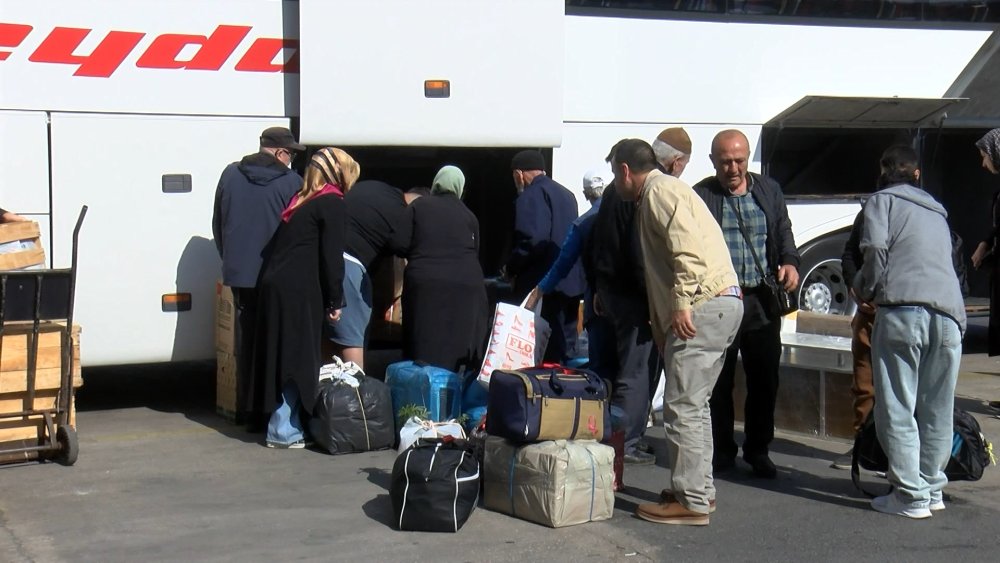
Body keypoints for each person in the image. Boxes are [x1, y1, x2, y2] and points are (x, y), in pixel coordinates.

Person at [610, 138, 742, 526]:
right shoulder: (668, 190)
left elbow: (685, 250)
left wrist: (681, 303)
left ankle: (692, 501)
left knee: (682, 406)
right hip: (720, 302)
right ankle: (699, 491)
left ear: (624, 170)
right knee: (694, 405)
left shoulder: (658, 192)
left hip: (702, 303)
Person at [856, 145, 966, 519]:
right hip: (949, 314)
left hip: (904, 309)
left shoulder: (881, 201)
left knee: (898, 406)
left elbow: (874, 247)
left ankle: (909, 496)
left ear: (883, 171)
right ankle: (932, 487)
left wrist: (866, 287)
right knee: (938, 408)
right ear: (917, 174)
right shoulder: (937, 210)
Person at [693, 129, 799, 479]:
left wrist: (790, 262)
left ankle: (758, 449)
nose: (733, 168)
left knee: (764, 377)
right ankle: (722, 449)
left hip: (760, 299)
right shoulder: (702, 195)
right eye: (726, 162)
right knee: (719, 380)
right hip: (720, 299)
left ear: (748, 157)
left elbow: (783, 231)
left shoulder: (768, 189)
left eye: (739, 160)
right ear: (713, 162)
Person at [589, 127, 693, 465]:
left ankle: (620, 438)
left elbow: (600, 243)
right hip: (635, 298)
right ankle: (626, 442)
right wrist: (654, 301)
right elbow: (641, 253)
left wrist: (598, 288)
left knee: (624, 371)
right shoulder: (645, 193)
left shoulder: (617, 193)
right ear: (675, 163)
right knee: (637, 373)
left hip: (614, 292)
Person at [254, 148, 360, 449]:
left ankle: (280, 423)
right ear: (338, 174)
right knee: (299, 357)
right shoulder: (331, 203)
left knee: (281, 354)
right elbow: (331, 258)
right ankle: (284, 429)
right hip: (300, 290)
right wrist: (335, 300)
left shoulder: (300, 201)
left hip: (276, 285)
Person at [211, 126, 304, 428]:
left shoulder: (229, 174)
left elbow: (218, 223)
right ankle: (269, 413)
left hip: (239, 274)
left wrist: (231, 260)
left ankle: (246, 410)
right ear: (279, 152)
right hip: (275, 276)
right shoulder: (291, 182)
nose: (291, 160)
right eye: (290, 153)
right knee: (273, 343)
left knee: (246, 343)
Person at [394, 165, 488, 372]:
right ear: (460, 188)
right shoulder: (469, 216)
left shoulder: (419, 207)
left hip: (426, 283)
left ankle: (423, 392)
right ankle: (454, 387)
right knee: (458, 338)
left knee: (424, 337)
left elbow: (399, 244)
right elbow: (475, 251)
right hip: (467, 285)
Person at [526, 164, 612, 362]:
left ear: (586, 194)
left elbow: (563, 261)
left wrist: (540, 289)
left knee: (600, 361)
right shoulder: (632, 214)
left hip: (597, 302)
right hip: (630, 304)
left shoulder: (583, 223)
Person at [506, 149, 585, 363]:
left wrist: (512, 268)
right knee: (567, 350)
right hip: (571, 284)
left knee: (543, 352)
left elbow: (532, 239)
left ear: (519, 174)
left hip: (544, 286)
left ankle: (545, 393)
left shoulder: (530, 195)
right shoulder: (567, 194)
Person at [334, 179, 411, 369]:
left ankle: (328, 394)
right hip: (350, 265)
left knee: (331, 338)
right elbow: (404, 247)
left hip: (328, 259)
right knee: (353, 339)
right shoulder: (401, 213)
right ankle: (357, 393)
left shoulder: (375, 189)